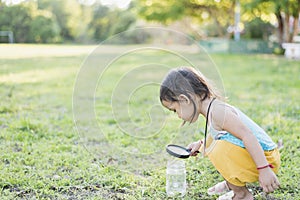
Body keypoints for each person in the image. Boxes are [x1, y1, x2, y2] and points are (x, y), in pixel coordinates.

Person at [160, 67, 280, 200]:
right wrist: (199, 145)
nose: (177, 115)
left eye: (174, 110)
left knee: (219, 149)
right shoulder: (211, 110)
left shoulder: (218, 111)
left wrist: (264, 169)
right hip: (261, 157)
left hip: (266, 159)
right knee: (212, 145)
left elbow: (247, 135)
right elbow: (219, 135)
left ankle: (242, 194)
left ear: (185, 100)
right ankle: (232, 183)